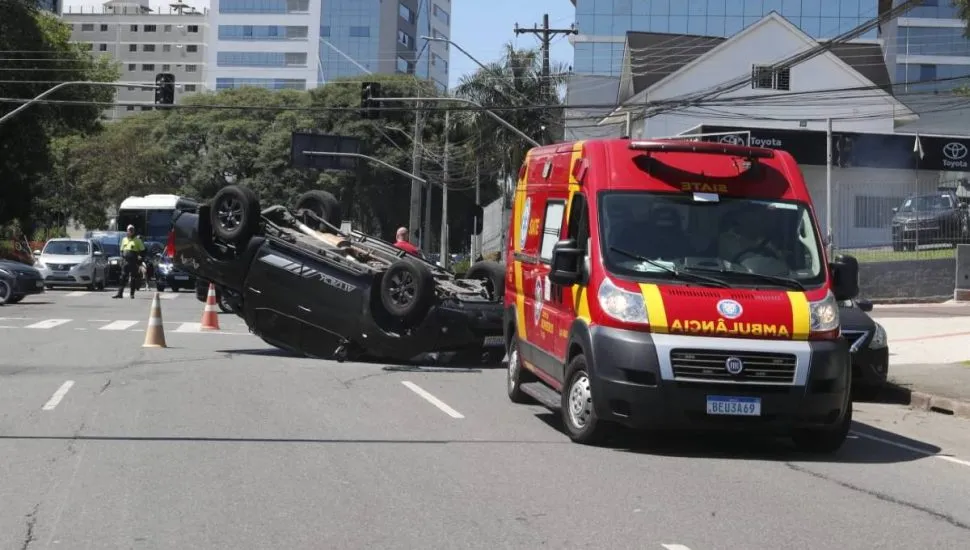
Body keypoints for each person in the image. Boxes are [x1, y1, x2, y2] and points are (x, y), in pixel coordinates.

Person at [113, 225, 146, 299]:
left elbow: (143, 251)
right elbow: (121, 250)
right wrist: (122, 258)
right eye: (129, 230)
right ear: (127, 231)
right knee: (122, 278)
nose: (130, 231)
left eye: (132, 230)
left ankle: (132, 294)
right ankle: (119, 294)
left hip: (134, 262)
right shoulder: (124, 239)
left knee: (133, 278)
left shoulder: (137, 240)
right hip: (125, 262)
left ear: (134, 231)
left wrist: (140, 259)